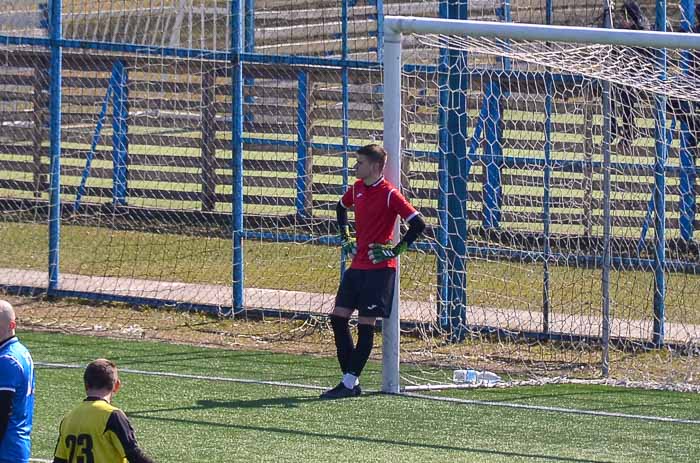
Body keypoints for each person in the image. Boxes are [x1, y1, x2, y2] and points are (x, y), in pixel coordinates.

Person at [320, 144, 425, 400]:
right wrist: (346, 236)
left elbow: (418, 224)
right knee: (338, 318)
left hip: (379, 271)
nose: (356, 167)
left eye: (360, 163)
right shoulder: (356, 189)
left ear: (376, 167)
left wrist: (395, 250)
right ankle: (350, 381)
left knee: (365, 326)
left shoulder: (390, 194)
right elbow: (340, 207)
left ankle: (348, 383)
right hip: (357, 267)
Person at [53, 359, 155, 463]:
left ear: (85, 385)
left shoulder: (68, 418)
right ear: (116, 386)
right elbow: (134, 455)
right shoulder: (113, 416)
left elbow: (59, 460)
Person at [0, 299, 35, 463]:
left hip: (5, 450)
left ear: (11, 326)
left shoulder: (7, 360)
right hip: (16, 446)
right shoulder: (21, 351)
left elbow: (2, 412)